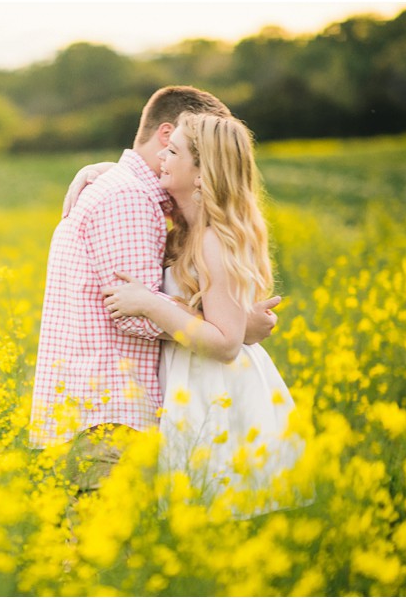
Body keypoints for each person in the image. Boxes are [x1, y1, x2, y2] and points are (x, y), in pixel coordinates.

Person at [28, 86, 281, 501]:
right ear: (167, 135)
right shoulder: (130, 196)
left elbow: (151, 301)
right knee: (98, 545)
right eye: (173, 148)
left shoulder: (152, 202)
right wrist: (237, 325)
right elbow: (131, 312)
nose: (167, 160)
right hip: (108, 406)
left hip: (125, 405)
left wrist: (228, 324)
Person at [102, 112, 307, 517]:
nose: (162, 155)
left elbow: (225, 344)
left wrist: (149, 303)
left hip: (216, 390)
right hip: (192, 382)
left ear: (201, 174)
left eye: (173, 151)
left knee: (216, 516)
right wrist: (99, 171)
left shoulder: (215, 240)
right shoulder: (188, 229)